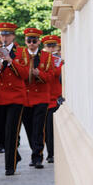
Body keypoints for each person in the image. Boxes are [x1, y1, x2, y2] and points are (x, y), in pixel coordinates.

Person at [0, 23, 30, 176]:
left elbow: (25, 74)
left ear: (13, 36)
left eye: (7, 35)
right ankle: (15, 155)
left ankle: (10, 166)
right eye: (2, 35)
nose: (5, 38)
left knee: (11, 132)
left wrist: (11, 61)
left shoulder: (22, 52)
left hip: (15, 97)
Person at [21, 28, 58, 169]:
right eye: (29, 41)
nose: (31, 43)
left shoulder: (47, 57)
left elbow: (50, 76)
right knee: (29, 129)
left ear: (38, 42)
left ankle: (37, 156)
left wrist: (39, 74)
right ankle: (34, 150)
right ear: (25, 41)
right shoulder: (20, 55)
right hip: (26, 98)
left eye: (34, 41)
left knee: (38, 128)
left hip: (41, 97)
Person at [42, 35, 63, 163]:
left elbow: (56, 73)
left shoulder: (59, 60)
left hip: (58, 98)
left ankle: (54, 152)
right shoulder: (42, 60)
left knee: (55, 129)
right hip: (46, 99)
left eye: (53, 46)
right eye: (48, 46)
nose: (50, 48)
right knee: (47, 129)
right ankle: (50, 153)